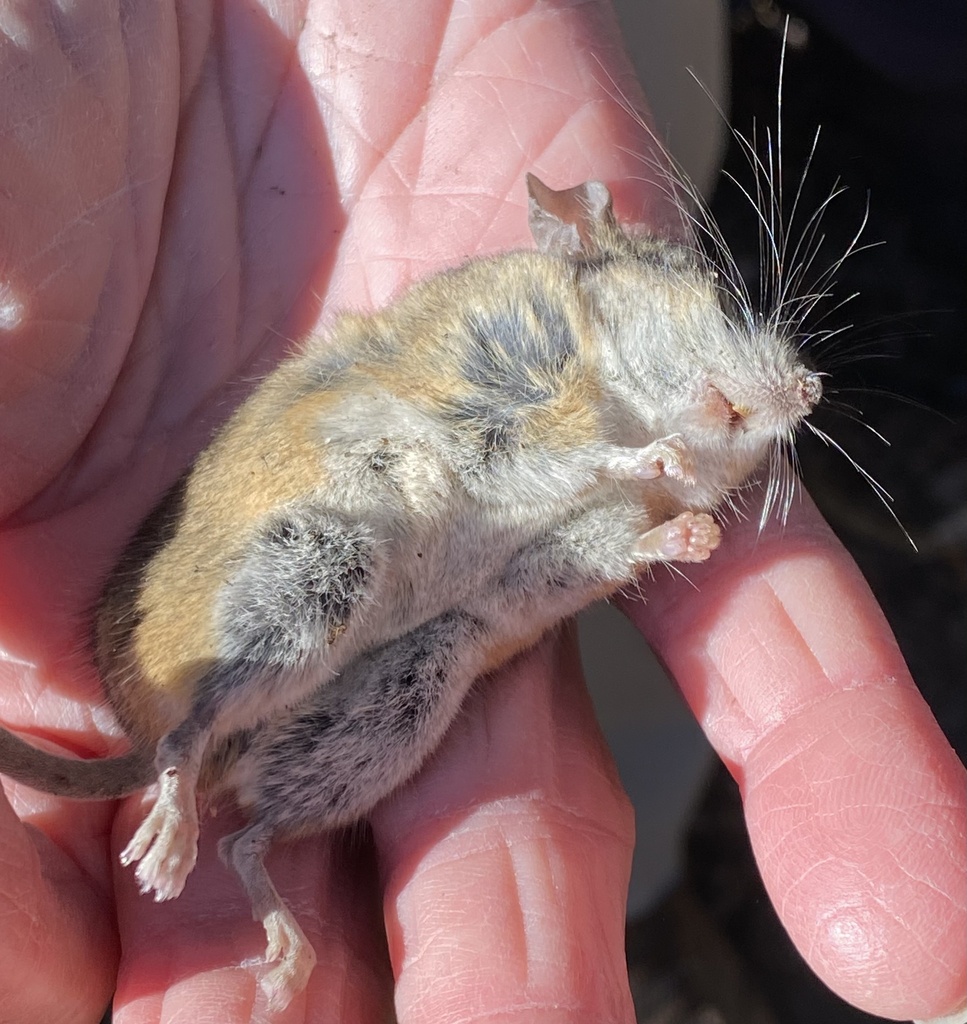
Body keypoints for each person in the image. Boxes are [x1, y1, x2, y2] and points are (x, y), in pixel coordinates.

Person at [0, 2, 963, 1022]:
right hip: (356, 507)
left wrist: (646, 528)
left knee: (467, 677)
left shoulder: (655, 457)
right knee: (334, 579)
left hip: (438, 612)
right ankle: (190, 754)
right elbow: (487, 428)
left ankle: (254, 846)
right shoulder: (536, 311)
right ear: (586, 245)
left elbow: (538, 579)